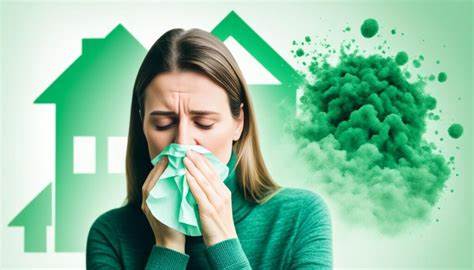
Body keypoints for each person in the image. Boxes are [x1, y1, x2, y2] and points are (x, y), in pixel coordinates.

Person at [86, 27, 332, 269]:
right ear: (142, 125)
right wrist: (167, 247)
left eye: (204, 123)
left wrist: (224, 243)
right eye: (163, 123)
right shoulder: (111, 235)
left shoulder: (300, 217)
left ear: (238, 123)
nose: (182, 142)